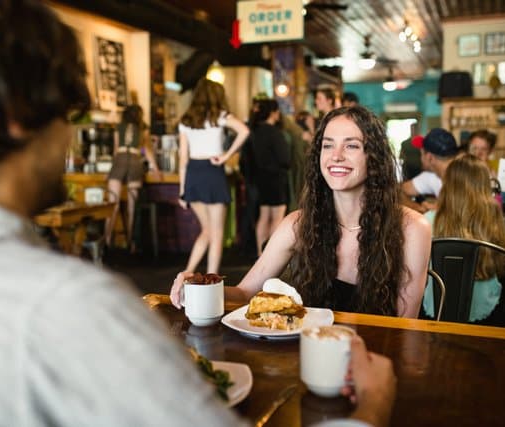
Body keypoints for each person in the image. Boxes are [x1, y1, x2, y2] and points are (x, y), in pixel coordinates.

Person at [0, 2, 398, 426]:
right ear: (18, 113)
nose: (68, 137)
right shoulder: (72, 305)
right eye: (68, 112)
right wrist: (372, 410)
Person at [172, 106, 432, 317]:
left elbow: (403, 326)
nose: (336, 156)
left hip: (377, 366)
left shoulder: (412, 228)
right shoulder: (299, 223)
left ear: (373, 157)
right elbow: (244, 292)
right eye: (328, 145)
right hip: (312, 357)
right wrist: (198, 285)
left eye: (351, 146)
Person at [422, 154, 505, 323]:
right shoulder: (494, 217)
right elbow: (501, 261)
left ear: (447, 185)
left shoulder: (427, 221)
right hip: (487, 311)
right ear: (484, 186)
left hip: (436, 309)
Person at [178, 78, 250, 274]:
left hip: (193, 172)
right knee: (216, 233)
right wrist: (226, 156)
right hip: (212, 170)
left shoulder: (186, 121)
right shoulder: (220, 116)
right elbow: (244, 131)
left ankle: (187, 272)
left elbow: (183, 158)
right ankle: (212, 279)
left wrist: (182, 191)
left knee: (207, 231)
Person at [105, 104, 160, 251]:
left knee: (113, 205)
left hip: (120, 160)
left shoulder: (119, 126)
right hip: (135, 163)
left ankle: (107, 241)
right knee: (131, 207)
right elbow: (147, 151)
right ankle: (131, 244)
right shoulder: (143, 128)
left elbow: (116, 149)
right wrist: (155, 169)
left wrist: (112, 168)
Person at [250, 99, 291, 255]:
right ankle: (273, 254)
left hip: (260, 179)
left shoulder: (255, 131)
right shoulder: (275, 132)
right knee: (277, 217)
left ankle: (261, 255)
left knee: (264, 215)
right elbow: (285, 159)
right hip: (276, 179)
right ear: (273, 112)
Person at [401, 128, 458, 213]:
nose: (420, 158)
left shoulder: (463, 177)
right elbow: (398, 191)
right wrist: (418, 207)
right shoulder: (431, 176)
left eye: (421, 153)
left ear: (430, 157)